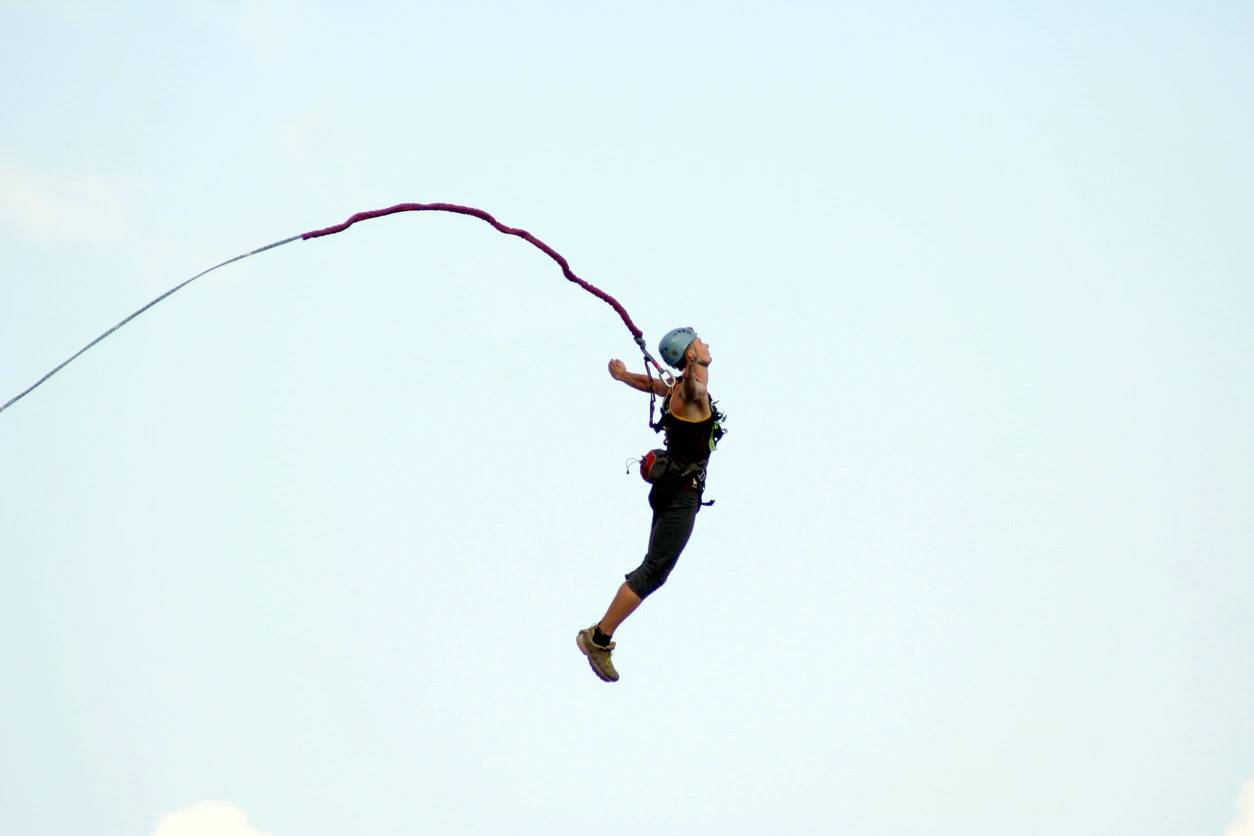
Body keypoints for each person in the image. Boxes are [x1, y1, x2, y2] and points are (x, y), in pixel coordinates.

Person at [576, 326, 724, 682]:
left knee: (654, 566)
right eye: (700, 341)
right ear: (691, 355)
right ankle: (598, 638)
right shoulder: (692, 393)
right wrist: (693, 377)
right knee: (655, 570)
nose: (707, 343)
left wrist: (625, 375)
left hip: (669, 491)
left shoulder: (676, 391)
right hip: (681, 495)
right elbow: (694, 389)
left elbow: (653, 386)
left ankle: (600, 635)